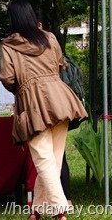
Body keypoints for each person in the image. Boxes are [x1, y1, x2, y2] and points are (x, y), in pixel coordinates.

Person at [0, 0, 88, 220]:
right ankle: (37, 210)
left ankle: (60, 211)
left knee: (45, 159)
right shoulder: (49, 38)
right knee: (52, 159)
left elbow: (8, 78)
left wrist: (25, 84)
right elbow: (60, 64)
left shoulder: (8, 46)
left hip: (32, 103)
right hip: (60, 99)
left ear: (13, 19)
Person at [35, 10, 85, 205]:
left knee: (50, 155)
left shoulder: (44, 45)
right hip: (63, 106)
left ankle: (60, 202)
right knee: (56, 154)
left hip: (50, 106)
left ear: (39, 26)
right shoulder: (53, 42)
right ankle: (58, 200)